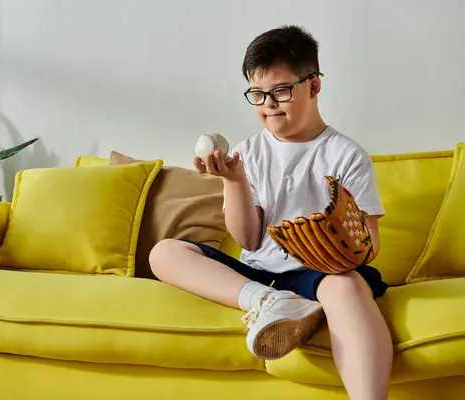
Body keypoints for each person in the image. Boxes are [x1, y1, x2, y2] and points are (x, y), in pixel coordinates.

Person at [149, 25, 393, 399]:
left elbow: (370, 244)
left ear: (313, 86)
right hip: (261, 277)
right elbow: (247, 239)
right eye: (258, 94)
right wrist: (234, 180)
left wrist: (335, 252)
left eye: (280, 91)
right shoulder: (251, 151)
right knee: (164, 252)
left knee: (347, 286)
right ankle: (268, 303)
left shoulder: (345, 155)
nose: (268, 104)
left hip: (323, 274)